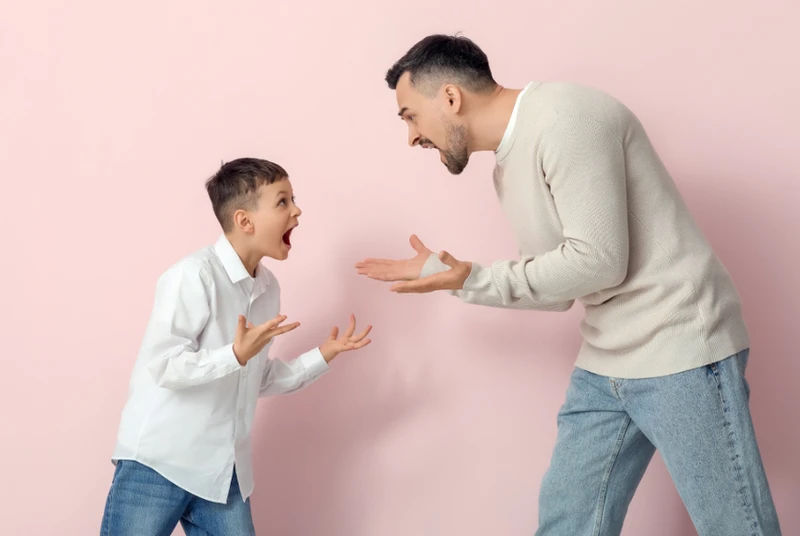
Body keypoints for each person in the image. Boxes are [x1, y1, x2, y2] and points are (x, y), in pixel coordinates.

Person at [356, 34, 781, 535]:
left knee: (736, 527)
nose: (411, 137)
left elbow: (599, 262)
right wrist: (453, 278)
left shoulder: (566, 119)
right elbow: (559, 288)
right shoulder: (508, 167)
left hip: (682, 346)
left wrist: (475, 275)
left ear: (450, 98)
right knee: (567, 521)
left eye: (410, 116)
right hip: (608, 356)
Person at [102, 158, 372, 536]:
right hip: (158, 462)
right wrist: (234, 355)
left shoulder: (268, 288)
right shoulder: (193, 276)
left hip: (221, 471)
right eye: (282, 201)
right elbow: (163, 365)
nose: (297, 210)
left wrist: (323, 356)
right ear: (245, 221)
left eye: (294, 199)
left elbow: (256, 378)